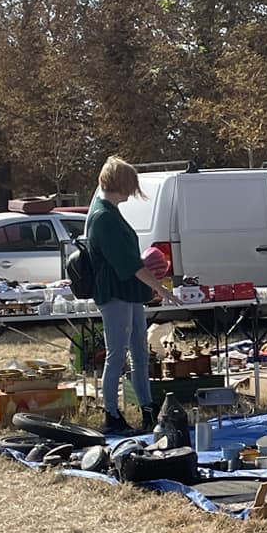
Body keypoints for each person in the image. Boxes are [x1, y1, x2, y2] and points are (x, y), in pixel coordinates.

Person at [87, 156, 179, 434]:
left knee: (139, 353)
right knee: (117, 355)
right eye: (129, 185)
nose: (132, 192)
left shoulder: (110, 212)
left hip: (129, 292)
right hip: (115, 293)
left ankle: (148, 409)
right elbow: (129, 265)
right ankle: (112, 414)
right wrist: (161, 288)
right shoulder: (104, 217)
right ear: (119, 184)